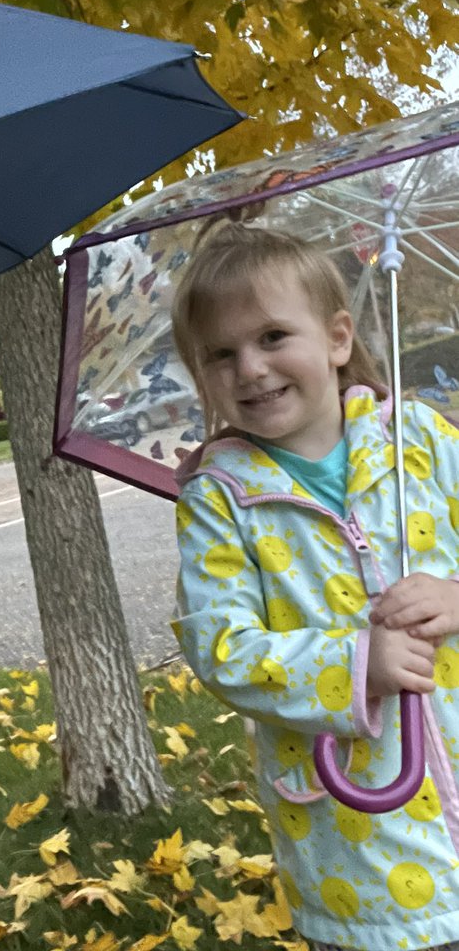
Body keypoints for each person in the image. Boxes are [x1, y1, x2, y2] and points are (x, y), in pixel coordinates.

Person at [169, 219, 459, 951]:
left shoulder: (419, 439)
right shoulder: (220, 500)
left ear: (336, 338)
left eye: (272, 337)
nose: (251, 369)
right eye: (220, 354)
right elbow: (223, 647)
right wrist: (356, 664)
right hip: (362, 847)